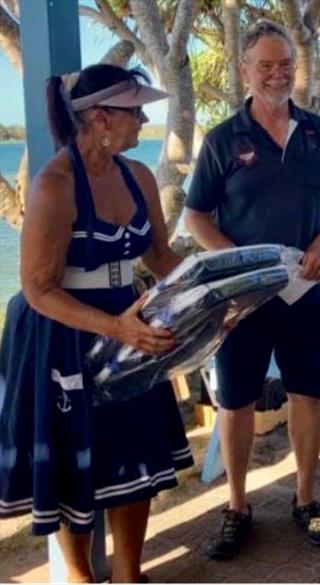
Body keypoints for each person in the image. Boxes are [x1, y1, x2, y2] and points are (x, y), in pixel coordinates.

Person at [0, 64, 193, 583]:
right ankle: (83, 578)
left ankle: (130, 574)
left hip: (129, 323)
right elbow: (38, 289)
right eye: (135, 111)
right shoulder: (54, 186)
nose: (145, 119)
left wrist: (215, 290)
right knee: (73, 464)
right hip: (62, 333)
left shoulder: (139, 176)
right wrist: (117, 328)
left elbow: (157, 255)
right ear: (101, 117)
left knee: (137, 453)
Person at [184, 20, 320, 559]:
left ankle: (306, 499)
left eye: (285, 65)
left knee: (309, 395)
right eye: (266, 66)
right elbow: (194, 217)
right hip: (243, 299)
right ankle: (236, 507)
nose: (277, 74)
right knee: (235, 402)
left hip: (307, 292)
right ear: (244, 70)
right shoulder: (222, 139)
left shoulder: (317, 133)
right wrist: (235, 264)